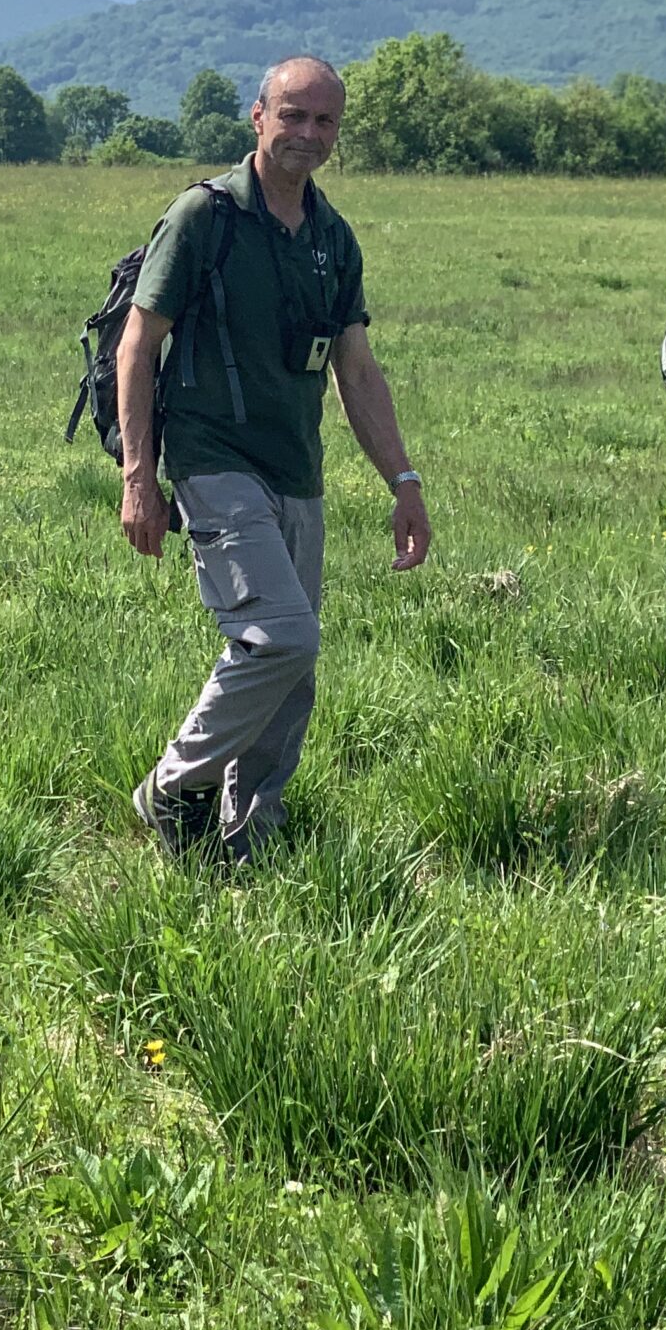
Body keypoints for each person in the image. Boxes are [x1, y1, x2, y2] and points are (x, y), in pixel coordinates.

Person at [119, 56, 431, 865]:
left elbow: (356, 370)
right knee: (281, 636)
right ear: (257, 117)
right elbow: (136, 346)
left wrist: (403, 481)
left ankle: (247, 839)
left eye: (324, 122)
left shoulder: (331, 238)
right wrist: (138, 480)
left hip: (297, 466)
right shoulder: (204, 217)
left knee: (293, 677)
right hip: (211, 459)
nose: (308, 135)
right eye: (292, 116)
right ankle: (172, 790)